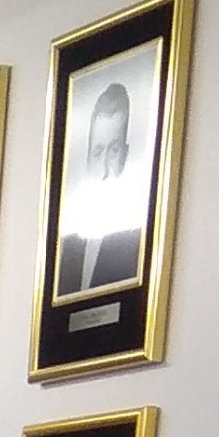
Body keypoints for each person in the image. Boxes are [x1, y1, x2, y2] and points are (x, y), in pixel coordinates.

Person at [54, 80, 142, 295]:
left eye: (114, 151)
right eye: (97, 152)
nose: (103, 170)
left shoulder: (138, 239)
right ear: (87, 157)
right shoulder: (64, 243)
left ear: (125, 155)